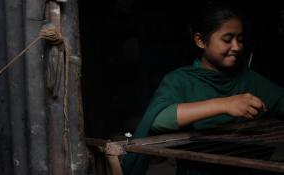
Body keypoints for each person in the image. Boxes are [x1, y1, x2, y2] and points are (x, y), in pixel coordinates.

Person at [121, 2, 284, 175]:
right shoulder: (181, 80)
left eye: (240, 39)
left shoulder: (249, 78)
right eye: (227, 39)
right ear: (200, 41)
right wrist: (225, 105)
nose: (236, 47)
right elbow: (158, 119)